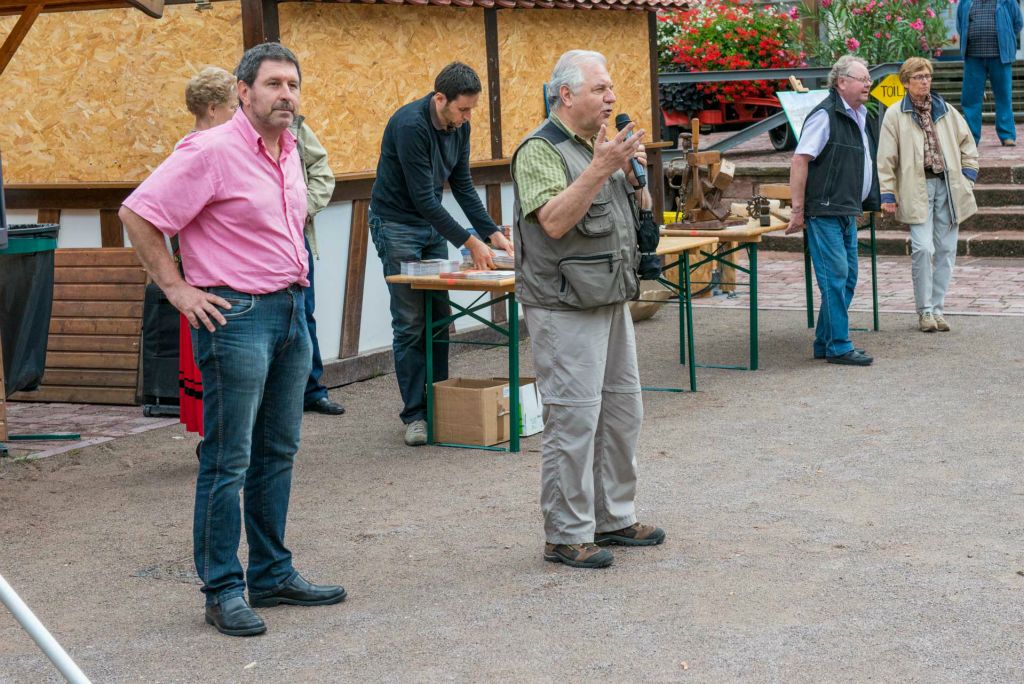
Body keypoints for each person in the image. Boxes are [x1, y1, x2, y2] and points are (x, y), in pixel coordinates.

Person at [119, 43, 346, 638]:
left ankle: (271, 574)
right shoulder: (211, 150)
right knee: (228, 459)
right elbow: (138, 214)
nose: (286, 95)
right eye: (273, 84)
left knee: (278, 451)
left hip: (291, 312)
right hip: (237, 318)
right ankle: (222, 590)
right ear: (243, 92)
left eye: (292, 84)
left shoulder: (289, 148)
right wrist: (177, 289)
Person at [511, 50, 665, 570]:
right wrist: (601, 169)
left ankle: (613, 518)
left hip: (610, 296)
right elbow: (554, 222)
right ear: (566, 95)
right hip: (564, 304)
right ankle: (566, 534)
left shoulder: (599, 146)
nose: (611, 98)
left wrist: (634, 178)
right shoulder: (540, 150)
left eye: (611, 88)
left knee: (622, 412)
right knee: (574, 419)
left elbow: (634, 217)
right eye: (600, 89)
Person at [368, 62, 514, 446]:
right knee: (410, 322)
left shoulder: (459, 126)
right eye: (462, 109)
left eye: (471, 110)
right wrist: (470, 242)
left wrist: (491, 233)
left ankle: (440, 405)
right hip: (397, 224)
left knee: (438, 318)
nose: (467, 118)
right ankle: (415, 415)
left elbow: (462, 185)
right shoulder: (410, 126)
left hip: (431, 225)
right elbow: (423, 198)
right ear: (439, 99)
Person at [787, 55, 881, 367]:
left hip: (847, 209)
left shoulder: (861, 115)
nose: (868, 84)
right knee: (836, 276)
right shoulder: (825, 115)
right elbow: (800, 160)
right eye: (862, 79)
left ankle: (824, 341)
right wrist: (798, 210)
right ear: (842, 82)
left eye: (868, 79)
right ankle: (839, 345)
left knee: (848, 277)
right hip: (825, 210)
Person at [877, 58, 980, 333]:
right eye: (919, 77)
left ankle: (937, 309)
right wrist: (887, 193)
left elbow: (967, 144)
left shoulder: (945, 110)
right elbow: (885, 159)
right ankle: (924, 311)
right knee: (923, 248)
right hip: (916, 188)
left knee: (946, 250)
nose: (925, 81)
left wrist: (968, 178)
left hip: (948, 187)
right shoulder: (895, 114)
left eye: (927, 76)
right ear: (905, 82)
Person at [177, 66, 239, 442]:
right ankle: (215, 440)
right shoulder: (197, 151)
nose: (237, 114)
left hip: (211, 271)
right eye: (233, 106)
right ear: (213, 109)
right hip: (208, 276)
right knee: (217, 367)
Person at [290, 116, 345, 415]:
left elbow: (322, 172)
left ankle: (311, 390)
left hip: (295, 237)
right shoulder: (228, 129)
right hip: (254, 243)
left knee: (303, 313)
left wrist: (303, 210)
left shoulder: (295, 128)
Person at [957, 0, 1023, 146]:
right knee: (970, 99)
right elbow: (961, 25)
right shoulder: (965, 2)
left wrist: (1006, 38)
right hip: (973, 57)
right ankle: (971, 137)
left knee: (1004, 97)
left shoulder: (1008, 1)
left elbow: (1018, 23)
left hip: (1001, 57)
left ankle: (1007, 135)